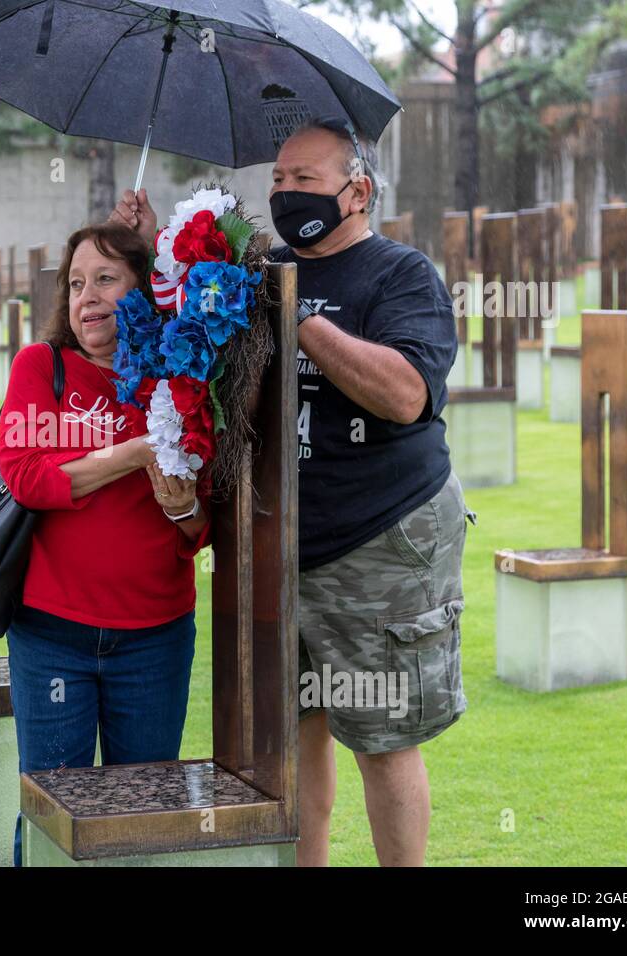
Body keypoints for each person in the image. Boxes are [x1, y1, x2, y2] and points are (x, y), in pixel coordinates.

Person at [111, 117, 471, 867]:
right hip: (278, 542)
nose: (283, 193)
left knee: (381, 735)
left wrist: (301, 319)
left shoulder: (400, 276)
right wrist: (149, 250)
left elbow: (406, 395)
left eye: (304, 180)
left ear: (358, 191)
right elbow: (189, 336)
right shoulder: (260, 269)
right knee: (293, 731)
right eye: (276, 179)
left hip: (380, 541)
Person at [0, 222, 211, 866]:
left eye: (106, 279)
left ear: (146, 288)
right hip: (51, 634)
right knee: (53, 814)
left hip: (154, 637)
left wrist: (187, 508)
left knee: (138, 818)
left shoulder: (181, 381)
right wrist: (134, 452)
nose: (86, 296)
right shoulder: (42, 368)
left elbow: (204, 528)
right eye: (76, 283)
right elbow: (29, 478)